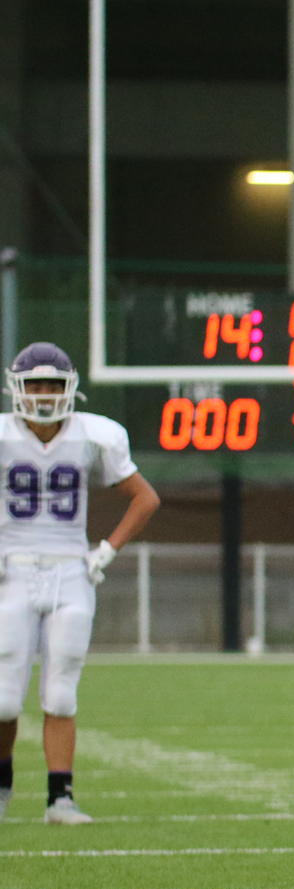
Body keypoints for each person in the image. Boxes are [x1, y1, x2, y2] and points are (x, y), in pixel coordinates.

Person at [0, 343, 160, 825]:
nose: (45, 395)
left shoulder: (95, 435)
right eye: (35, 385)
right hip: (13, 566)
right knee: (5, 695)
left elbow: (145, 498)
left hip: (72, 568)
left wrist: (106, 550)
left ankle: (60, 798)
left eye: (53, 384)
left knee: (61, 690)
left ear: (69, 388)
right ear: (18, 389)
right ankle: (3, 785)